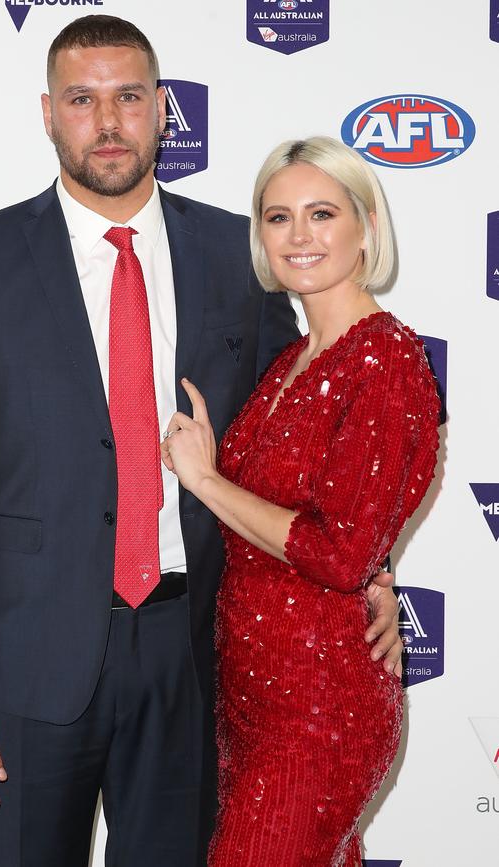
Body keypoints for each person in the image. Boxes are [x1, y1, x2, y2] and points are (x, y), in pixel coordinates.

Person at [0, 17, 404, 867]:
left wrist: (373, 568)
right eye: (82, 100)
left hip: (194, 654)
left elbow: (310, 432)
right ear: (48, 114)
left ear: (162, 109)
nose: (107, 121)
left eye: (129, 97)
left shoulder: (236, 255)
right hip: (28, 663)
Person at [161, 136, 440, 866]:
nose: (299, 235)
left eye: (322, 213)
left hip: (319, 711)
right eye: (277, 217)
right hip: (252, 702)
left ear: (366, 225)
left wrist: (207, 479)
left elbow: (340, 550)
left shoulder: (386, 359)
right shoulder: (291, 357)